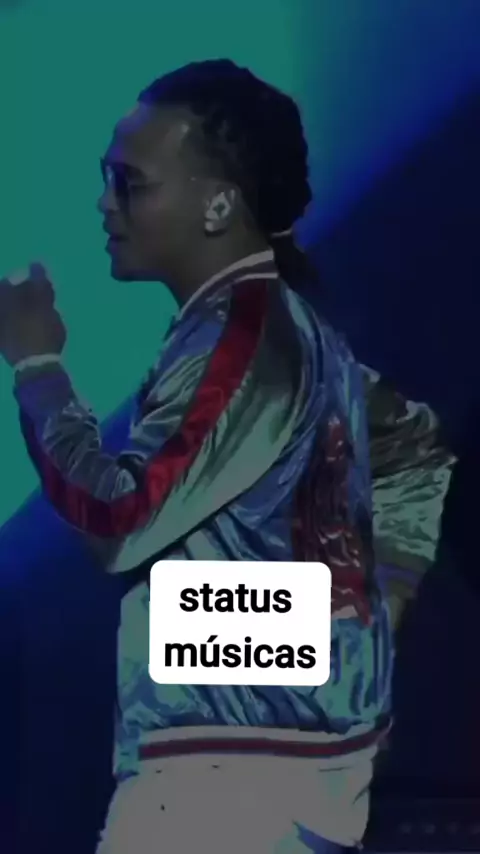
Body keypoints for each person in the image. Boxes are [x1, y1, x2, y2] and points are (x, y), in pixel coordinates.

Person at [0, 60, 392, 853]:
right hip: (261, 772)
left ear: (219, 204)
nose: (105, 202)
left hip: (228, 786)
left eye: (130, 182)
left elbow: (120, 520)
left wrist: (37, 365)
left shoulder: (244, 333)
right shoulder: (274, 327)